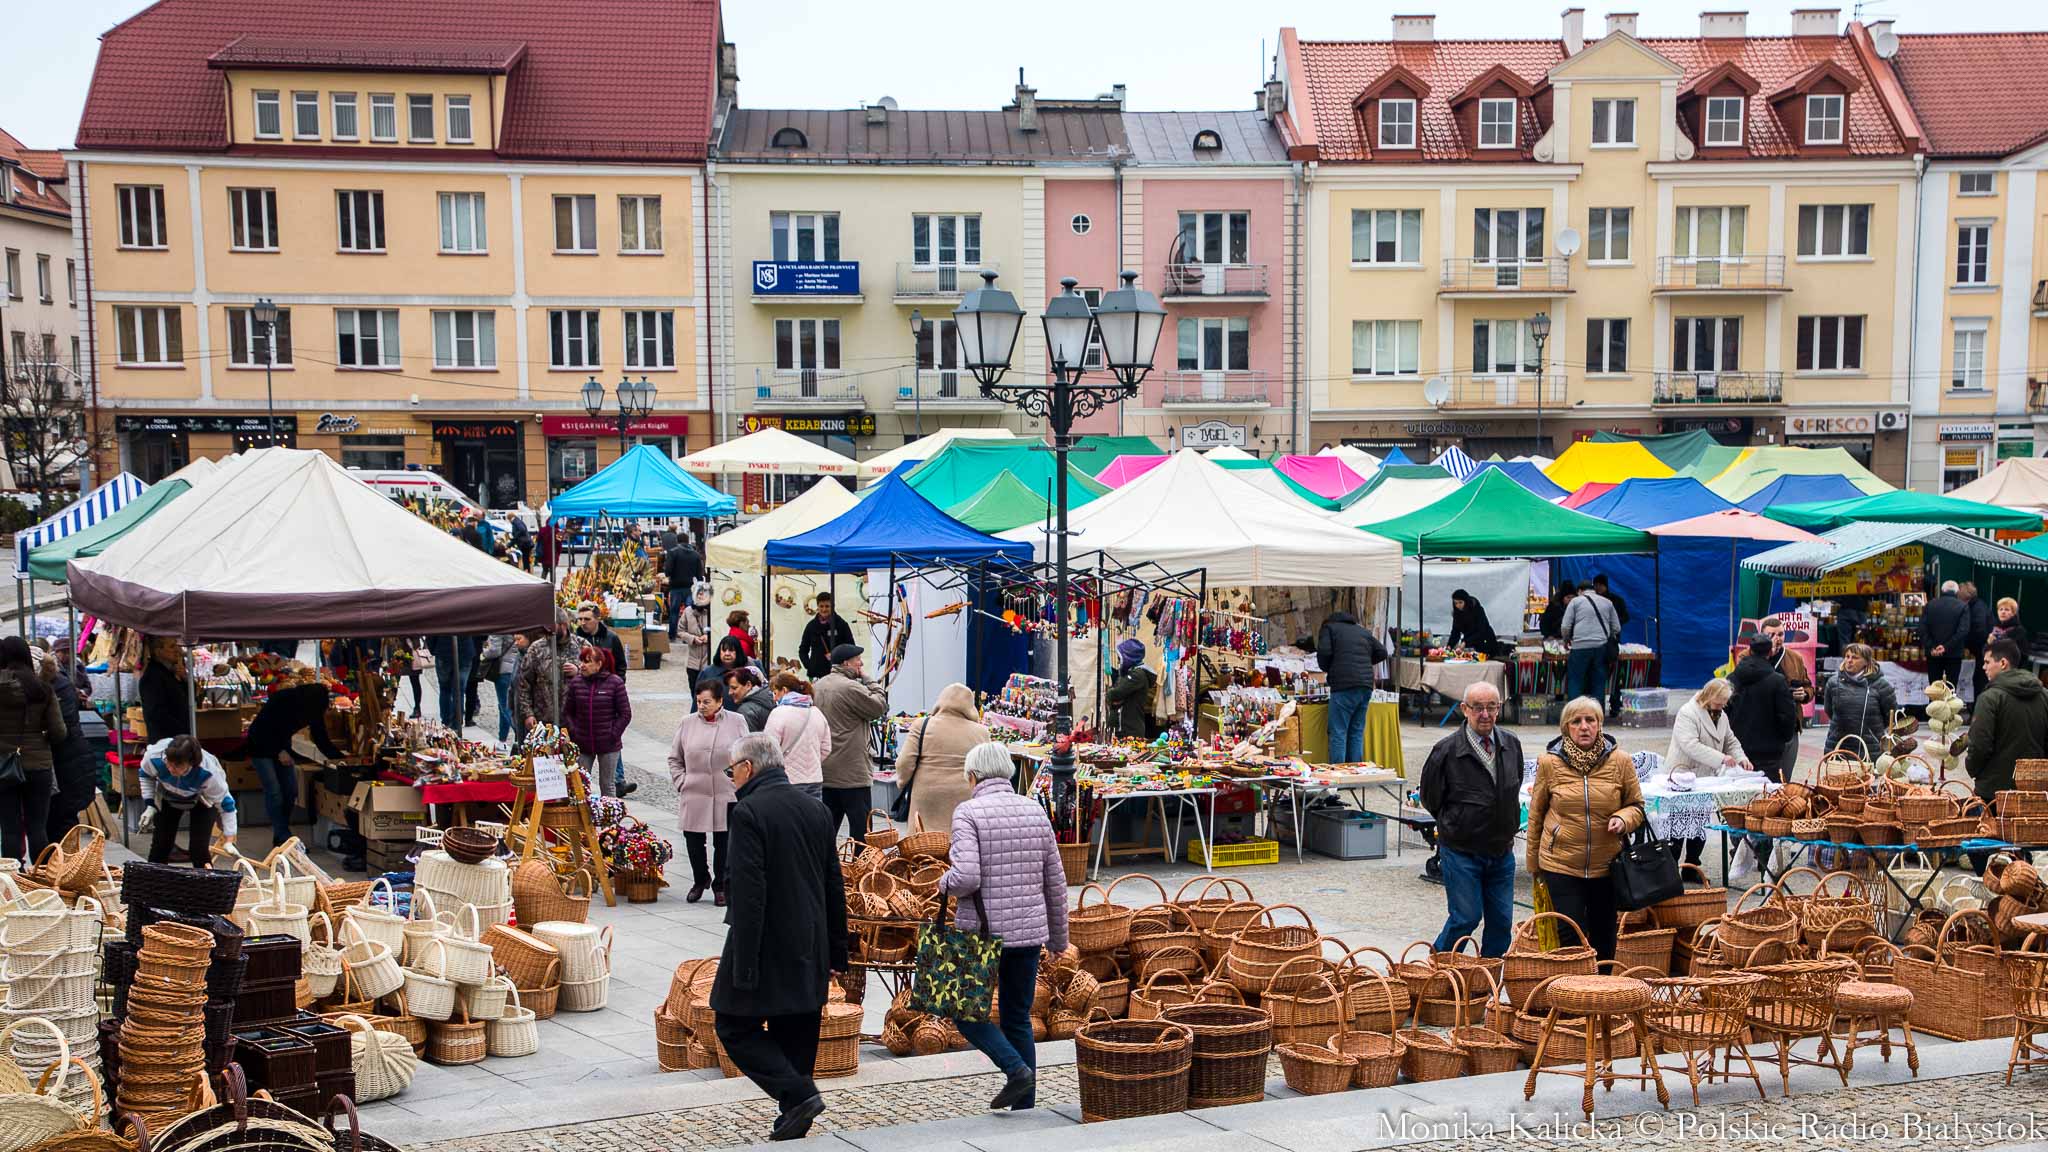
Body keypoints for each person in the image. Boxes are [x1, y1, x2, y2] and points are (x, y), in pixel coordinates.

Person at [712, 732, 847, 1144]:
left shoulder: (749, 812)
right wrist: (838, 948)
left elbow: (749, 893)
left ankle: (799, 1095)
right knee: (797, 1029)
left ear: (748, 768)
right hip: (810, 939)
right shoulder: (815, 809)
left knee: (733, 1025)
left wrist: (745, 963)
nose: (731, 778)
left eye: (731, 770)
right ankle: (795, 1111)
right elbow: (833, 884)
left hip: (767, 942)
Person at [939, 742, 1071, 1111]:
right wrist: (1059, 938)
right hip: (1028, 934)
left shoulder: (968, 813)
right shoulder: (1034, 811)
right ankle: (1024, 1105)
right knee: (1018, 1016)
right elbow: (1055, 882)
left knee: (962, 1012)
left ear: (972, 775)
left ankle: (1015, 1070)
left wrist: (943, 883)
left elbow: (965, 877)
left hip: (980, 933)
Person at [1526, 697, 1646, 961]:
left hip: (1607, 865)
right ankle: (1569, 993)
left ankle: (1601, 992)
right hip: (1561, 864)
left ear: (1600, 725)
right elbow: (1536, 815)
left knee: (1604, 935)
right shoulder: (1549, 762)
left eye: (1590, 720)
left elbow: (1637, 806)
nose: (1584, 727)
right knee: (1569, 934)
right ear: (1565, 728)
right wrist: (1533, 864)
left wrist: (1623, 819)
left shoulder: (1621, 761)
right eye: (1576, 721)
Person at [1417, 681, 1522, 957]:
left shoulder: (1511, 744)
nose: (1485, 714)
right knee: (1466, 918)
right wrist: (1456, 822)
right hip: (1462, 850)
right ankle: (1438, 970)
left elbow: (1514, 784)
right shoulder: (1446, 750)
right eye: (1478, 708)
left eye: (1492, 707)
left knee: (1501, 923)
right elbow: (1430, 798)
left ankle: (1485, 987)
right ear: (1465, 709)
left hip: (1501, 850)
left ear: (1499, 708)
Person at [671, 680, 749, 904]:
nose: (702, 706)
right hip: (694, 790)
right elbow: (674, 758)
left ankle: (721, 885)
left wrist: (739, 782)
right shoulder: (687, 723)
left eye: (707, 702)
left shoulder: (737, 721)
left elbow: (746, 755)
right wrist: (682, 781)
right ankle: (700, 879)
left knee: (723, 842)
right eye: (699, 702)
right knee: (693, 840)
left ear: (719, 701)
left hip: (726, 791)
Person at [244, 676, 343, 849]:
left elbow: (320, 738)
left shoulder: (313, 709)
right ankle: (283, 835)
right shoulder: (283, 700)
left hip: (282, 747)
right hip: (260, 745)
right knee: (274, 790)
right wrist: (278, 751)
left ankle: (281, 832)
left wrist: (339, 758)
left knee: (290, 790)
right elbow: (261, 729)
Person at [1663, 678, 1748, 866]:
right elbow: (1690, 745)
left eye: (1724, 702)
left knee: (1699, 826)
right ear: (1709, 696)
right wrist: (1721, 758)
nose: (1723, 705)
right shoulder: (1688, 713)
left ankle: (1692, 865)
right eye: (1719, 701)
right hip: (1682, 777)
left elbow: (1730, 741)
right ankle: (1669, 871)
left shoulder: (1721, 715)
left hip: (1704, 779)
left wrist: (1742, 758)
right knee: (1677, 830)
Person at [0, 637, 65, 863]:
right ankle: (42, 879)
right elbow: (59, 732)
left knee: (10, 828)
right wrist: (41, 737)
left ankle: (13, 882)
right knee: (38, 827)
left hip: (3, 766)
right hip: (39, 766)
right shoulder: (43, 689)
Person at [814, 644, 889, 839]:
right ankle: (860, 869)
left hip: (825, 770)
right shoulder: (850, 687)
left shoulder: (818, 686)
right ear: (846, 663)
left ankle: (825, 868)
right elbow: (879, 706)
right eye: (858, 660)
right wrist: (868, 679)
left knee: (826, 830)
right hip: (852, 773)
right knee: (861, 834)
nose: (861, 664)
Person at [894, 683, 988, 835]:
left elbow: (904, 763)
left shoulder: (922, 725)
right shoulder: (981, 732)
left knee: (923, 844)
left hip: (927, 796)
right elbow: (986, 770)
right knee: (961, 842)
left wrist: (902, 782)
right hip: (964, 797)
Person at [1966, 638, 2048, 804]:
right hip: (2036, 790)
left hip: (1994, 792)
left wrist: (1974, 771)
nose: (1984, 667)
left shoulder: (1990, 698)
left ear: (2003, 663)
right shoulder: (2044, 695)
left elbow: (1979, 745)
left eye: (1987, 662)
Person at [137, 734, 237, 866]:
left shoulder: (208, 773)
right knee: (161, 844)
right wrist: (150, 804)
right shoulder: (154, 756)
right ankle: (152, 883)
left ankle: (206, 884)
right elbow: (145, 774)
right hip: (167, 795)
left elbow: (227, 805)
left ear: (191, 763)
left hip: (202, 799)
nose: (172, 769)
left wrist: (229, 839)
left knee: (199, 849)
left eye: (178, 766)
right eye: (169, 763)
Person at [1316, 610, 1387, 765]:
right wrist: (1366, 663)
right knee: (1356, 731)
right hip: (1365, 685)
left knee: (1339, 732)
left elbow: (1324, 652)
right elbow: (1382, 651)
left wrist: (1331, 668)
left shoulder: (1329, 629)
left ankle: (1339, 772)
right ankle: (1355, 772)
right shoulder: (1362, 631)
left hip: (1343, 685)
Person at [564, 646, 632, 799]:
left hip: (608, 744)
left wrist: (613, 734)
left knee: (607, 785)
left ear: (599, 664)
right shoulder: (576, 683)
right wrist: (575, 732)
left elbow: (625, 714)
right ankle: (583, 820)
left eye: (587, 662)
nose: (582, 665)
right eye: (581, 661)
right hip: (583, 743)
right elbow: (568, 712)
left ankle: (610, 820)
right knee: (580, 785)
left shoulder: (615, 683)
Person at [765, 671, 832, 802]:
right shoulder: (816, 712)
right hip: (815, 780)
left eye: (775, 692)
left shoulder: (778, 713)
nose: (774, 698)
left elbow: (768, 750)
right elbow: (826, 749)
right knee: (811, 819)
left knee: (789, 820)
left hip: (786, 780)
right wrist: (812, 764)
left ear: (784, 690)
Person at [512, 612, 583, 733]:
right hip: (543, 722)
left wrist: (578, 671)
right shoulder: (536, 648)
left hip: (575, 720)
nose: (547, 630)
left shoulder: (581, 646)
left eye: (551, 626)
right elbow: (524, 683)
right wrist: (528, 713)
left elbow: (596, 676)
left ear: (564, 626)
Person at [1823, 643, 1896, 759]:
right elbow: (1829, 711)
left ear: (1866, 661)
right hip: (1838, 747)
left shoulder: (1882, 685)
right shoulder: (1833, 683)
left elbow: (1891, 717)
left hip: (1870, 749)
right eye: (1847, 656)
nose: (1849, 661)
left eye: (1855, 657)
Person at [1561, 578, 1620, 704]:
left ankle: (1575, 714)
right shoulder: (1607, 602)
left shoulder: (1575, 602)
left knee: (1576, 681)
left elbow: (1565, 626)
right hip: (1601, 647)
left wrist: (1566, 641)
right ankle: (1597, 716)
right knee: (1598, 682)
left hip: (1579, 647)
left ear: (1580, 591)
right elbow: (1616, 627)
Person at [138, 635, 191, 740]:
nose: (178, 650)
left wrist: (184, 679)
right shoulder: (153, 676)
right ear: (158, 652)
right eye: (172, 646)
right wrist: (180, 729)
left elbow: (189, 698)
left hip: (178, 739)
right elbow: (156, 713)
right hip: (166, 742)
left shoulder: (170, 673)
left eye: (177, 645)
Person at [1922, 580, 1969, 694]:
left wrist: (1932, 646)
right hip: (1953, 654)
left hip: (1933, 654)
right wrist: (1946, 647)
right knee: (1950, 689)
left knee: (1934, 689)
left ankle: (1933, 710)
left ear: (1942, 590)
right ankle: (1948, 711)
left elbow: (1922, 629)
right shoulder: (1963, 607)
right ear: (1957, 592)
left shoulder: (1930, 605)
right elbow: (1962, 631)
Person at [1592, 574, 1630, 717]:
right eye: (1596, 585)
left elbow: (1625, 617)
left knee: (1615, 675)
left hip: (1611, 643)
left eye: (1601, 585)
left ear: (1606, 586)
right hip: (1596, 642)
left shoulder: (1615, 600)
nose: (1598, 588)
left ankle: (1615, 703)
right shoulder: (1591, 601)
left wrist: (1614, 623)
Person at [1105, 639, 1157, 740]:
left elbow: (1115, 694)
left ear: (1129, 657)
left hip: (1129, 730)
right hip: (1125, 728)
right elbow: (1114, 696)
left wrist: (1112, 696)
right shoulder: (1130, 673)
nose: (1118, 661)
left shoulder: (1137, 675)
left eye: (1120, 657)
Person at [798, 594, 856, 681]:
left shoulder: (841, 624)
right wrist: (810, 666)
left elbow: (851, 647)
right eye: (821, 606)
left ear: (833, 606)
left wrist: (841, 661)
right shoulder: (811, 626)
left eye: (827, 606)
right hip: (816, 675)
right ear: (817, 606)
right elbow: (803, 649)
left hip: (838, 674)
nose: (824, 609)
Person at [478, 633, 521, 743]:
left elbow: (494, 651)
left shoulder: (500, 627)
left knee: (504, 706)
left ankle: (519, 732)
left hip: (504, 670)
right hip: (516, 667)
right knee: (508, 705)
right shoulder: (519, 624)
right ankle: (502, 738)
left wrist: (484, 652)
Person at [575, 601, 630, 683]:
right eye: (580, 619)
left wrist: (617, 684)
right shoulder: (575, 639)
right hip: (583, 687)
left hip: (607, 686)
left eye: (587, 619)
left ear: (597, 619)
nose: (583, 623)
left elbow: (620, 665)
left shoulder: (611, 638)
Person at [665, 533, 705, 640]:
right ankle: (688, 636)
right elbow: (699, 574)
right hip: (690, 588)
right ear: (688, 541)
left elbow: (667, 571)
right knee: (690, 612)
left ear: (677, 541)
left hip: (676, 587)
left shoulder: (673, 553)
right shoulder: (696, 554)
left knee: (674, 612)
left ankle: (672, 635)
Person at [697, 636, 761, 703]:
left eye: (731, 650)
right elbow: (698, 699)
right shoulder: (707, 673)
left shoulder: (749, 670)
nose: (727, 654)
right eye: (724, 650)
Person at [1963, 581, 1994, 700]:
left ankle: (1977, 708)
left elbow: (1979, 631)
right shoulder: (1978, 605)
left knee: (1980, 681)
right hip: (1981, 649)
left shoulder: (1977, 608)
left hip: (1981, 650)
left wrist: (1968, 645)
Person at [1447, 589, 1498, 655]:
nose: (1458, 605)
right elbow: (1455, 631)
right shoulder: (1457, 614)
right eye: (1456, 603)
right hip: (1471, 645)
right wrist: (1449, 646)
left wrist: (1465, 642)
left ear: (1466, 601)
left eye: (1460, 602)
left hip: (1486, 642)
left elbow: (1481, 630)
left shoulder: (1477, 610)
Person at [727, 666, 778, 732]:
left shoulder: (745, 710)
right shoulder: (774, 698)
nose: (729, 692)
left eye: (734, 688)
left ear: (748, 685)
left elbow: (748, 741)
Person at [679, 585, 714, 682]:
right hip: (692, 661)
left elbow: (721, 630)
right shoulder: (688, 611)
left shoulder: (713, 611)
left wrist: (709, 637)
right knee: (694, 689)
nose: (700, 596)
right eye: (698, 594)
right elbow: (680, 631)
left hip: (709, 660)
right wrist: (693, 639)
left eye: (703, 594)